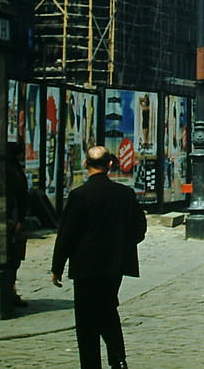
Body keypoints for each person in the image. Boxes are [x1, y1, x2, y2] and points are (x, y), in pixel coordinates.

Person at [52, 146, 146, 369]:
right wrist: (122, 245)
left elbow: (67, 234)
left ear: (85, 164)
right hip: (114, 265)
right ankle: (118, 358)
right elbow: (139, 228)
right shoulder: (124, 194)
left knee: (86, 320)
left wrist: (57, 266)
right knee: (107, 308)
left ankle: (91, 363)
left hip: (85, 266)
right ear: (110, 165)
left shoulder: (79, 195)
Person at [5, 143, 29, 307]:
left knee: (10, 257)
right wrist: (19, 218)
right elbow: (21, 195)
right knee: (12, 257)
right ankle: (10, 291)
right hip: (11, 216)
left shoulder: (7, 167)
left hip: (9, 216)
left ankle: (10, 290)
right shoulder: (13, 170)